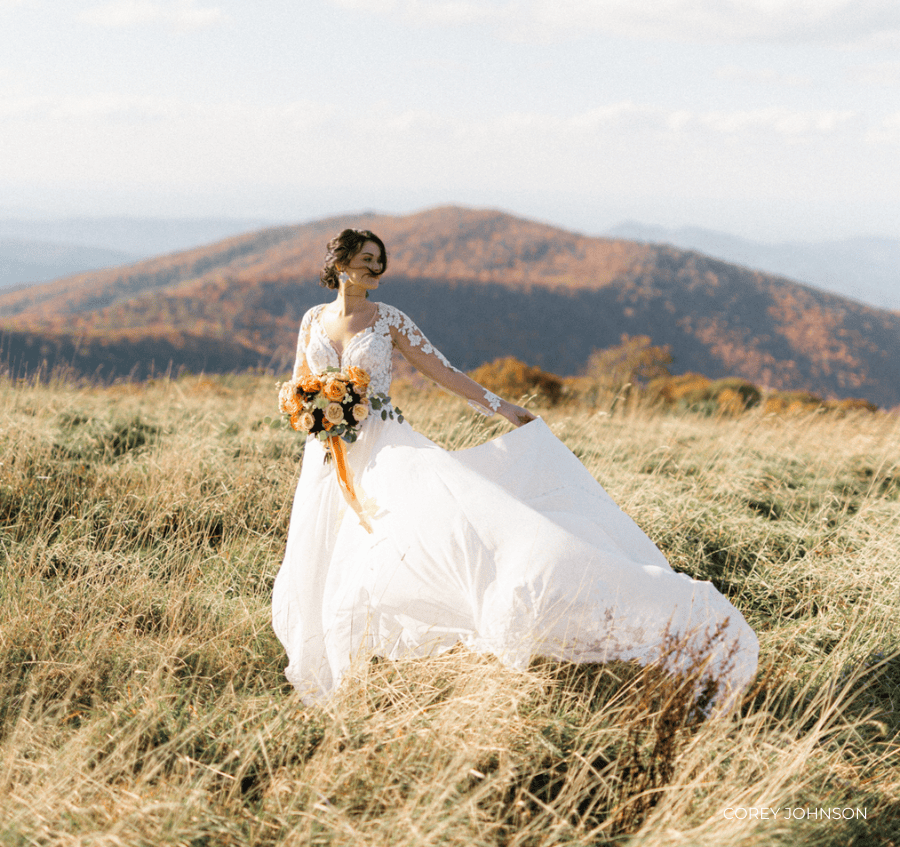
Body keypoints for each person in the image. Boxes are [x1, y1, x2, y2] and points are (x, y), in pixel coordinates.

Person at [271, 228, 758, 708]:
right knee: (326, 543)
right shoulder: (313, 319)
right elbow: (298, 381)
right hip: (325, 450)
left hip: (384, 444)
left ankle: (515, 603)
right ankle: (336, 651)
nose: (376, 269)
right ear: (340, 264)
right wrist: (307, 408)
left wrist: (500, 406)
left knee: (433, 529)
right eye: (366, 260)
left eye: (381, 260)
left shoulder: (388, 320)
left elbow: (441, 370)